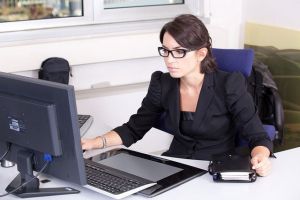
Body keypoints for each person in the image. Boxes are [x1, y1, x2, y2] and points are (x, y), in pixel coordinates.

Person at [81, 14, 272, 176]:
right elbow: (134, 129)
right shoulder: (163, 84)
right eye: (165, 51)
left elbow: (258, 137)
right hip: (174, 167)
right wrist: (93, 143)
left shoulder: (229, 84)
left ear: (201, 54)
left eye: (179, 52)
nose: (169, 60)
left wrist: (261, 157)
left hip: (214, 170)